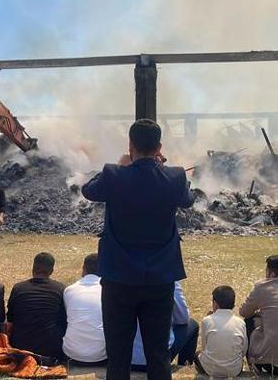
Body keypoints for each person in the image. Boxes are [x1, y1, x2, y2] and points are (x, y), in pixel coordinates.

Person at [81, 118, 194, 380]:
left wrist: (120, 165)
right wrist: (163, 168)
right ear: (159, 147)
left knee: (118, 355)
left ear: (130, 145)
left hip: (118, 278)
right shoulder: (175, 176)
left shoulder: (113, 174)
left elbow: (88, 190)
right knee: (158, 355)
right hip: (160, 278)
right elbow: (189, 199)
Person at [6, 252, 66, 359]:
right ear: (51, 271)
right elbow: (64, 319)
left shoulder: (18, 288)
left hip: (20, 348)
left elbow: (10, 319)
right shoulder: (60, 289)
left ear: (33, 268)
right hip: (50, 349)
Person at [130, 281, 198, 372]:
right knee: (192, 325)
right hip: (158, 359)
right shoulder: (170, 279)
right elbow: (182, 318)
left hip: (123, 358)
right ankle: (184, 366)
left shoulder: (118, 277)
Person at [195, 286, 248, 378]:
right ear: (233, 305)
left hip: (210, 369)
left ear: (215, 304)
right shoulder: (240, 322)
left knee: (196, 354)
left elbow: (204, 347)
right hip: (234, 370)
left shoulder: (207, 320)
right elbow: (244, 349)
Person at [62, 253, 106, 365]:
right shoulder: (108, 291)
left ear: (83, 269)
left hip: (71, 353)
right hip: (101, 354)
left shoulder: (69, 290)